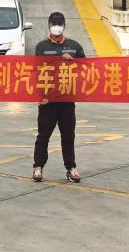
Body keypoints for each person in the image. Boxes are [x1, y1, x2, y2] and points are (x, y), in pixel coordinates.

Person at [32, 11, 86, 183]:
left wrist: (73, 62)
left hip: (67, 100)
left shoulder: (74, 46)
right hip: (47, 100)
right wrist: (40, 96)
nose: (57, 26)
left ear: (64, 26)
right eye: (54, 23)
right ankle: (38, 167)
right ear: (49, 25)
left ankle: (71, 168)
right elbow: (35, 72)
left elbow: (86, 70)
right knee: (43, 136)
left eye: (59, 23)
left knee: (68, 136)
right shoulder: (41, 47)